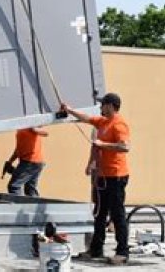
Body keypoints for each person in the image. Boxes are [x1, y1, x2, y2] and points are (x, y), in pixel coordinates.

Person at [61, 93, 131, 265]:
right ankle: (96, 249)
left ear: (111, 106)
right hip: (103, 175)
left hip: (116, 176)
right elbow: (86, 118)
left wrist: (103, 145)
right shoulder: (103, 122)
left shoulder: (119, 124)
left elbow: (125, 147)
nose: (100, 107)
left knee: (117, 214)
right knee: (99, 214)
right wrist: (69, 110)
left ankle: (122, 252)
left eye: (103, 104)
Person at [5, 127, 49, 197]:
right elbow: (18, 148)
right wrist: (10, 161)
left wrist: (35, 129)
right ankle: (32, 203)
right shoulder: (20, 130)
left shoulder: (30, 125)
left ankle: (18, 203)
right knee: (30, 189)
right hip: (32, 162)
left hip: (30, 162)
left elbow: (46, 133)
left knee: (14, 186)